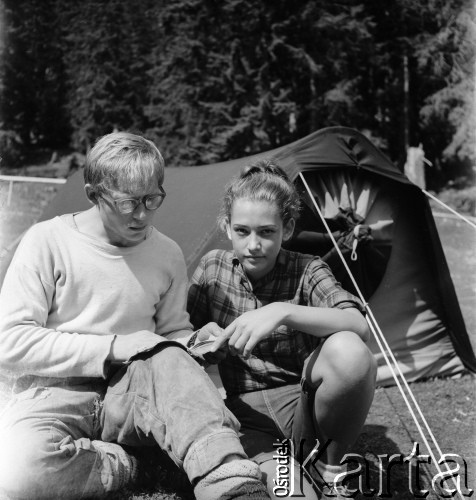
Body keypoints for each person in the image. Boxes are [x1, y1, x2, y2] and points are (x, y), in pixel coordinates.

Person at [0, 132, 270, 500]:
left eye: (151, 199)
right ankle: (136, 465)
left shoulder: (167, 252)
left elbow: (170, 335)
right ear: (94, 192)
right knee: (19, 469)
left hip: (132, 392)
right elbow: (10, 340)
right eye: (127, 203)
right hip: (53, 393)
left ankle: (231, 483)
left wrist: (193, 342)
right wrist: (114, 346)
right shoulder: (46, 241)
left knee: (172, 361)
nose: (142, 214)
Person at [187, 160, 377, 499]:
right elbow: (183, 338)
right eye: (242, 231)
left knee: (348, 349)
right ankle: (297, 476)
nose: (253, 245)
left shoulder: (307, 269)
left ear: (286, 229)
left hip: (306, 407)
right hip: (249, 417)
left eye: (267, 232)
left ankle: (330, 471)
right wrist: (203, 341)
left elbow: (357, 324)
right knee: (294, 495)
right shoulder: (213, 268)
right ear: (227, 227)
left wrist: (283, 311)